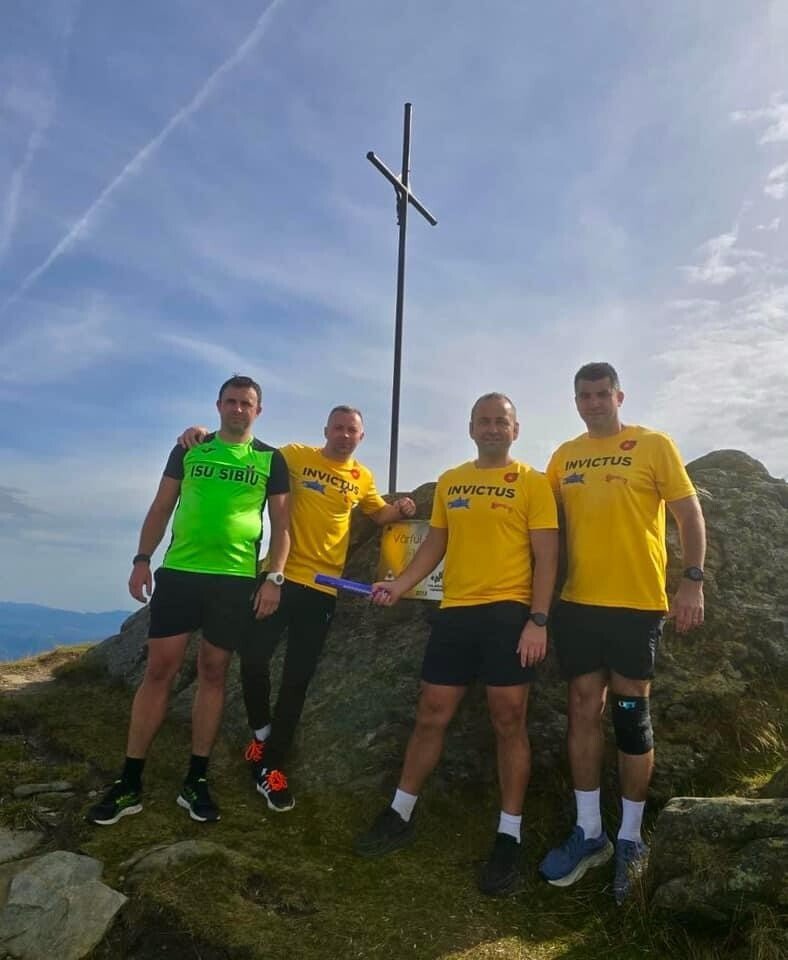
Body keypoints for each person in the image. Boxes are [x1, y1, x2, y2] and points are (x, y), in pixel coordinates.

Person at [353, 393, 559, 897]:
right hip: (456, 612)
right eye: (483, 421)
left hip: (509, 613)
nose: (492, 428)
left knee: (509, 718)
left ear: (515, 429)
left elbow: (547, 556)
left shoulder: (533, 482)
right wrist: (400, 585)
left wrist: (538, 621)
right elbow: (435, 544)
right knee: (431, 712)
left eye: (500, 421)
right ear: (471, 428)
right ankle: (400, 812)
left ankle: (508, 835)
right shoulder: (451, 480)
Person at [179, 406, 416, 812]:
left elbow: (378, 513)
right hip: (281, 578)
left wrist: (403, 510)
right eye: (338, 428)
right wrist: (204, 434)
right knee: (253, 659)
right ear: (326, 430)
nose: (344, 435)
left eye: (352, 430)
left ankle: (272, 766)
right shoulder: (294, 455)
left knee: (297, 680)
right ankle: (262, 734)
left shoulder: (362, 477)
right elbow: (250, 451)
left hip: (324, 589)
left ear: (361, 438)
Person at [87, 375, 290, 826]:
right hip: (180, 573)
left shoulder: (270, 459)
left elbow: (282, 526)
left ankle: (196, 779)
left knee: (213, 673)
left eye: (246, 403)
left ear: (258, 411)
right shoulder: (189, 448)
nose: (238, 409)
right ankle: (129, 780)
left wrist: (273, 578)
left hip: (234, 580)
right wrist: (142, 559)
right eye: (231, 401)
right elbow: (162, 506)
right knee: (160, 670)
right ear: (218, 405)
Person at [538, 362, 706, 903]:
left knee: (632, 716)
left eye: (601, 394)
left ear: (619, 396)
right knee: (583, 708)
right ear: (576, 401)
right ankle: (590, 832)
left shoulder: (653, 445)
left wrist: (692, 581)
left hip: (636, 606)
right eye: (583, 395)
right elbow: (539, 522)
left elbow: (689, 514)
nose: (593, 403)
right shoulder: (563, 457)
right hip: (578, 605)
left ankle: (631, 838)